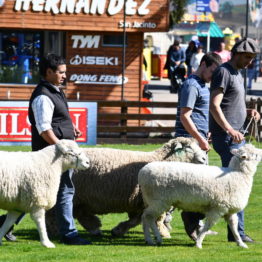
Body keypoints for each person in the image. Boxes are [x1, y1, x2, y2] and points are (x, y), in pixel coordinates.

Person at [28, 53, 92, 245]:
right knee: (64, 191)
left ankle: (4, 224)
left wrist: (70, 128)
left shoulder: (54, 90)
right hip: (52, 157)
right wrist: (62, 146)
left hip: (58, 154)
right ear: (49, 72)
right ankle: (69, 234)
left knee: (39, 193)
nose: (65, 75)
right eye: (61, 72)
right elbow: (43, 128)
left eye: (65, 72)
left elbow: (56, 119)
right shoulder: (42, 96)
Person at [210, 37, 261, 243]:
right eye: (248, 57)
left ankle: (236, 232)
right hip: (228, 139)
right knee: (237, 186)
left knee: (237, 185)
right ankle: (236, 233)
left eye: (253, 58)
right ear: (237, 54)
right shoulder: (223, 72)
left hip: (235, 135)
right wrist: (230, 129)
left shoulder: (238, 74)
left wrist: (248, 111)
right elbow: (214, 105)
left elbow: (230, 104)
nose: (250, 62)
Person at [174, 52, 222, 240]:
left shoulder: (202, 85)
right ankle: (189, 223)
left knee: (198, 186)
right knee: (192, 186)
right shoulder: (191, 85)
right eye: (212, 71)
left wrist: (205, 132)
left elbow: (198, 114)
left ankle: (198, 225)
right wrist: (200, 139)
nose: (213, 77)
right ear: (203, 64)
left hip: (198, 141)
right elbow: (185, 116)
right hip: (188, 143)